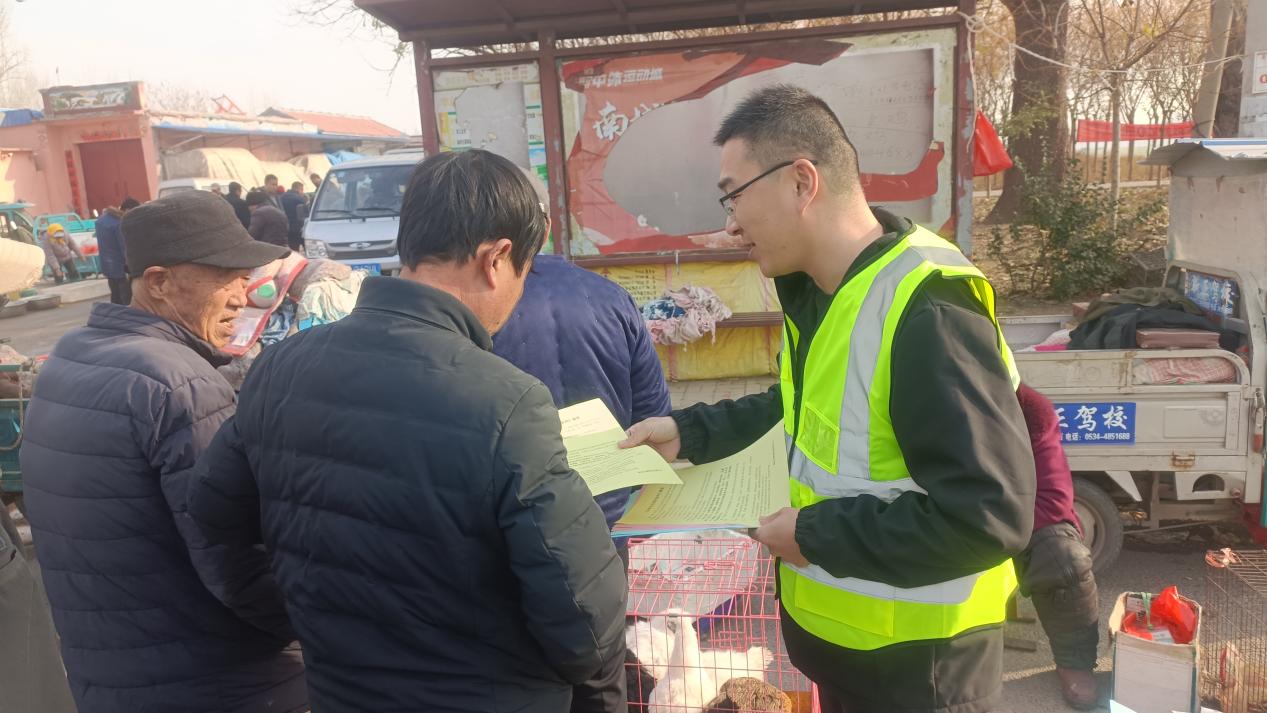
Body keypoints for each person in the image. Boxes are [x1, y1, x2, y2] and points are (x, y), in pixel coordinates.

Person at [621, 85, 1035, 713]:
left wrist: (813, 535)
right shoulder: (821, 290)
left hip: (920, 673)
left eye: (734, 195)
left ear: (801, 182)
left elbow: (987, 515)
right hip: (847, 658)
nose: (730, 223)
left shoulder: (927, 308)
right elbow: (801, 404)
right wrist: (690, 433)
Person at [186, 149, 627, 713]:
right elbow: (586, 625)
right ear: (497, 259)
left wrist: (306, 616)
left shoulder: (282, 367)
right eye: (525, 273)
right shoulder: (507, 401)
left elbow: (213, 517)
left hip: (339, 690)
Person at [19, 190, 306, 713]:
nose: (242, 296)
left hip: (112, 676)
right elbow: (239, 565)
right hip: (218, 681)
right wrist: (323, 624)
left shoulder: (70, 356)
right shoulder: (178, 383)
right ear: (158, 282)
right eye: (226, 277)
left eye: (245, 277)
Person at [1015, 383, 1100, 710]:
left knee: (1062, 558)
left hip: (1001, 512)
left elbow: (1051, 500)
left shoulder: (1029, 408)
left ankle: (1073, 661)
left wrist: (1000, 522)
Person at [94, 196, 140, 305]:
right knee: (126, 299)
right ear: (127, 210)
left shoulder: (102, 220)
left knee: (115, 296)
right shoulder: (118, 224)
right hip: (121, 268)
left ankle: (115, 314)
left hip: (107, 265)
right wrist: (131, 266)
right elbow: (124, 247)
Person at [281, 180, 307, 251]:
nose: (302, 192)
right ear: (298, 189)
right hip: (299, 227)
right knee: (307, 248)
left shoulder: (282, 197)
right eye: (302, 190)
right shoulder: (299, 199)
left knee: (294, 250)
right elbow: (305, 213)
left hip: (287, 227)